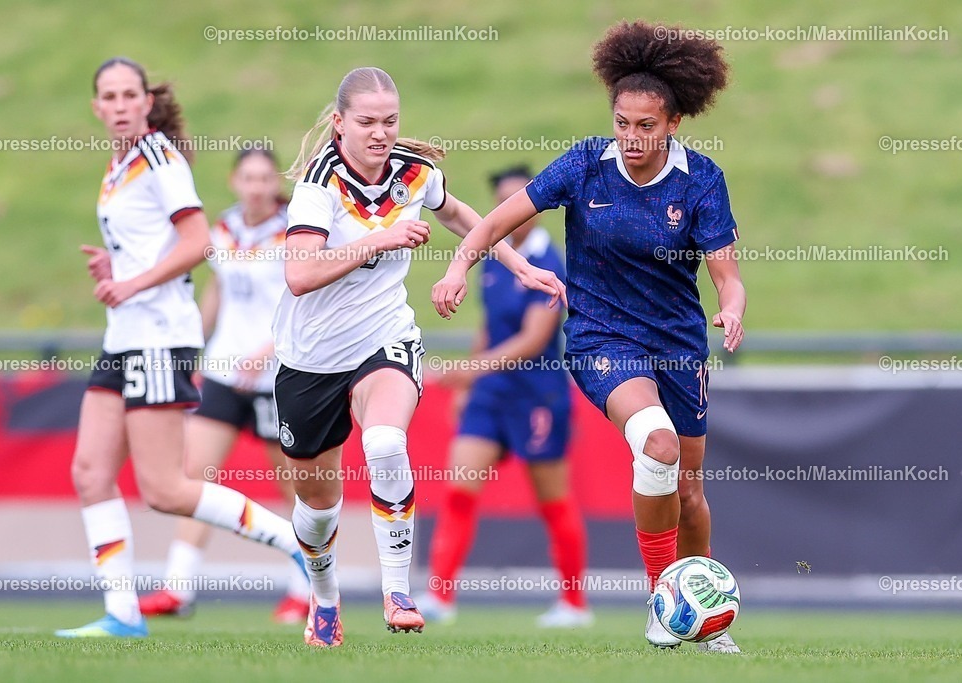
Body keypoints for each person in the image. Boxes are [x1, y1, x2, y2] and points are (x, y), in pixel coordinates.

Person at [432, 21, 746, 653]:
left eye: (646, 125)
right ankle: (661, 602)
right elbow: (495, 221)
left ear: (674, 123)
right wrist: (458, 266)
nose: (631, 137)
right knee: (656, 445)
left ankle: (708, 622)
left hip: (679, 346)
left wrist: (732, 309)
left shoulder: (702, 181)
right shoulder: (584, 165)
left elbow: (726, 275)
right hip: (602, 340)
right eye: (622, 123)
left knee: (689, 493)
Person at [274, 66, 564, 647]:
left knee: (385, 441)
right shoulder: (318, 186)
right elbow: (300, 275)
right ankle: (324, 600)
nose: (381, 133)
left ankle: (398, 592)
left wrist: (519, 264)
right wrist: (378, 239)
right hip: (311, 358)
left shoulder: (414, 173)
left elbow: (459, 215)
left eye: (390, 121)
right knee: (318, 507)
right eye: (367, 122)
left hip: (385, 338)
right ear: (340, 124)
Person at [56, 57, 306, 638]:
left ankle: (300, 544)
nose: (119, 105)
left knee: (166, 489)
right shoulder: (119, 164)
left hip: (159, 336)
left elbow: (195, 243)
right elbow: (160, 246)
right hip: (125, 336)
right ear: (96, 107)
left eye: (129, 95)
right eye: (109, 97)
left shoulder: (158, 157)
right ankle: (122, 615)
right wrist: (116, 265)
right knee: (90, 472)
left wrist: (133, 284)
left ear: (147, 102)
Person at [137, 146, 311, 623]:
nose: (256, 187)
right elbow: (218, 290)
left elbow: (305, 299)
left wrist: (268, 349)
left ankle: (306, 589)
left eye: (264, 178)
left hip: (276, 375)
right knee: (195, 476)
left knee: (294, 486)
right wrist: (191, 343)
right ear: (234, 180)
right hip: (222, 371)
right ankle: (178, 588)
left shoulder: (296, 230)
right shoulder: (224, 227)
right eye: (247, 178)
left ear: (275, 183)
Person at [418, 165, 591, 628]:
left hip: (537, 395)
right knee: (459, 487)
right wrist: (472, 383)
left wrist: (468, 371)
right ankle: (439, 596)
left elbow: (533, 340)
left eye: (521, 200)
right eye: (503, 202)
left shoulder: (548, 262)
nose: (514, 211)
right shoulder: (494, 256)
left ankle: (574, 604)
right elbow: (489, 326)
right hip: (491, 393)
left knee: (553, 500)